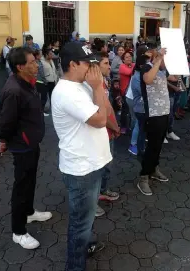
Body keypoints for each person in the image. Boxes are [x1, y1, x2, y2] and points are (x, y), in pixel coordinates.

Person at [51, 42, 111, 269]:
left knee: (86, 220)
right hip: (81, 169)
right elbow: (100, 120)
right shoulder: (67, 92)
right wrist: (97, 87)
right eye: (88, 63)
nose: (92, 68)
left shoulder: (82, 85)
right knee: (80, 224)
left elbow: (102, 106)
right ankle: (74, 266)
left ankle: (85, 245)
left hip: (91, 164)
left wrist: (96, 88)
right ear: (73, 64)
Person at [0, 47, 51, 249]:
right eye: (32, 62)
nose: (36, 64)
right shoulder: (14, 90)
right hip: (22, 145)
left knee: (30, 180)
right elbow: (4, 123)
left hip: (31, 143)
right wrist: (3, 141)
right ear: (20, 67)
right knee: (21, 186)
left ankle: (29, 213)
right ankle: (18, 232)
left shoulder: (27, 83)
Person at [137, 48, 170, 196]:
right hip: (153, 113)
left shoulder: (163, 70)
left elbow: (175, 78)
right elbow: (148, 80)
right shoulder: (147, 67)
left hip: (164, 112)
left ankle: (154, 169)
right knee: (152, 146)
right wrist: (158, 61)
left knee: (159, 144)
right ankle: (143, 177)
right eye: (162, 57)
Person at [94, 52, 120, 208]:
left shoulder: (104, 82)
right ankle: (93, 200)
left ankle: (102, 191)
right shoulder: (96, 86)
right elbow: (103, 110)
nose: (109, 66)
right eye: (105, 63)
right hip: (102, 132)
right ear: (96, 66)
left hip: (108, 131)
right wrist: (115, 127)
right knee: (99, 168)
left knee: (107, 165)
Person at [130, 45, 148, 157]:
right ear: (141, 65)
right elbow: (143, 92)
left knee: (141, 127)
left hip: (143, 106)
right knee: (139, 126)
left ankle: (140, 144)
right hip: (139, 107)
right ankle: (135, 145)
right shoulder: (137, 77)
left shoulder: (141, 74)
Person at [119, 51, 134, 134]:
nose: (129, 58)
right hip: (125, 91)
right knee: (125, 110)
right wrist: (135, 66)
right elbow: (130, 72)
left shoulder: (133, 65)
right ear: (123, 60)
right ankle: (123, 126)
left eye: (130, 56)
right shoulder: (122, 66)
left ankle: (131, 126)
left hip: (132, 92)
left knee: (132, 111)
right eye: (127, 57)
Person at [41, 46, 58, 116]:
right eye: (50, 54)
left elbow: (54, 70)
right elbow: (41, 73)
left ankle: (53, 109)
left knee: (52, 96)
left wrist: (56, 79)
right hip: (46, 82)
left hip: (53, 81)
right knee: (44, 97)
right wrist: (43, 80)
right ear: (46, 55)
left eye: (52, 53)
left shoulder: (51, 60)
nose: (52, 55)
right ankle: (41, 111)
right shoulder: (41, 62)